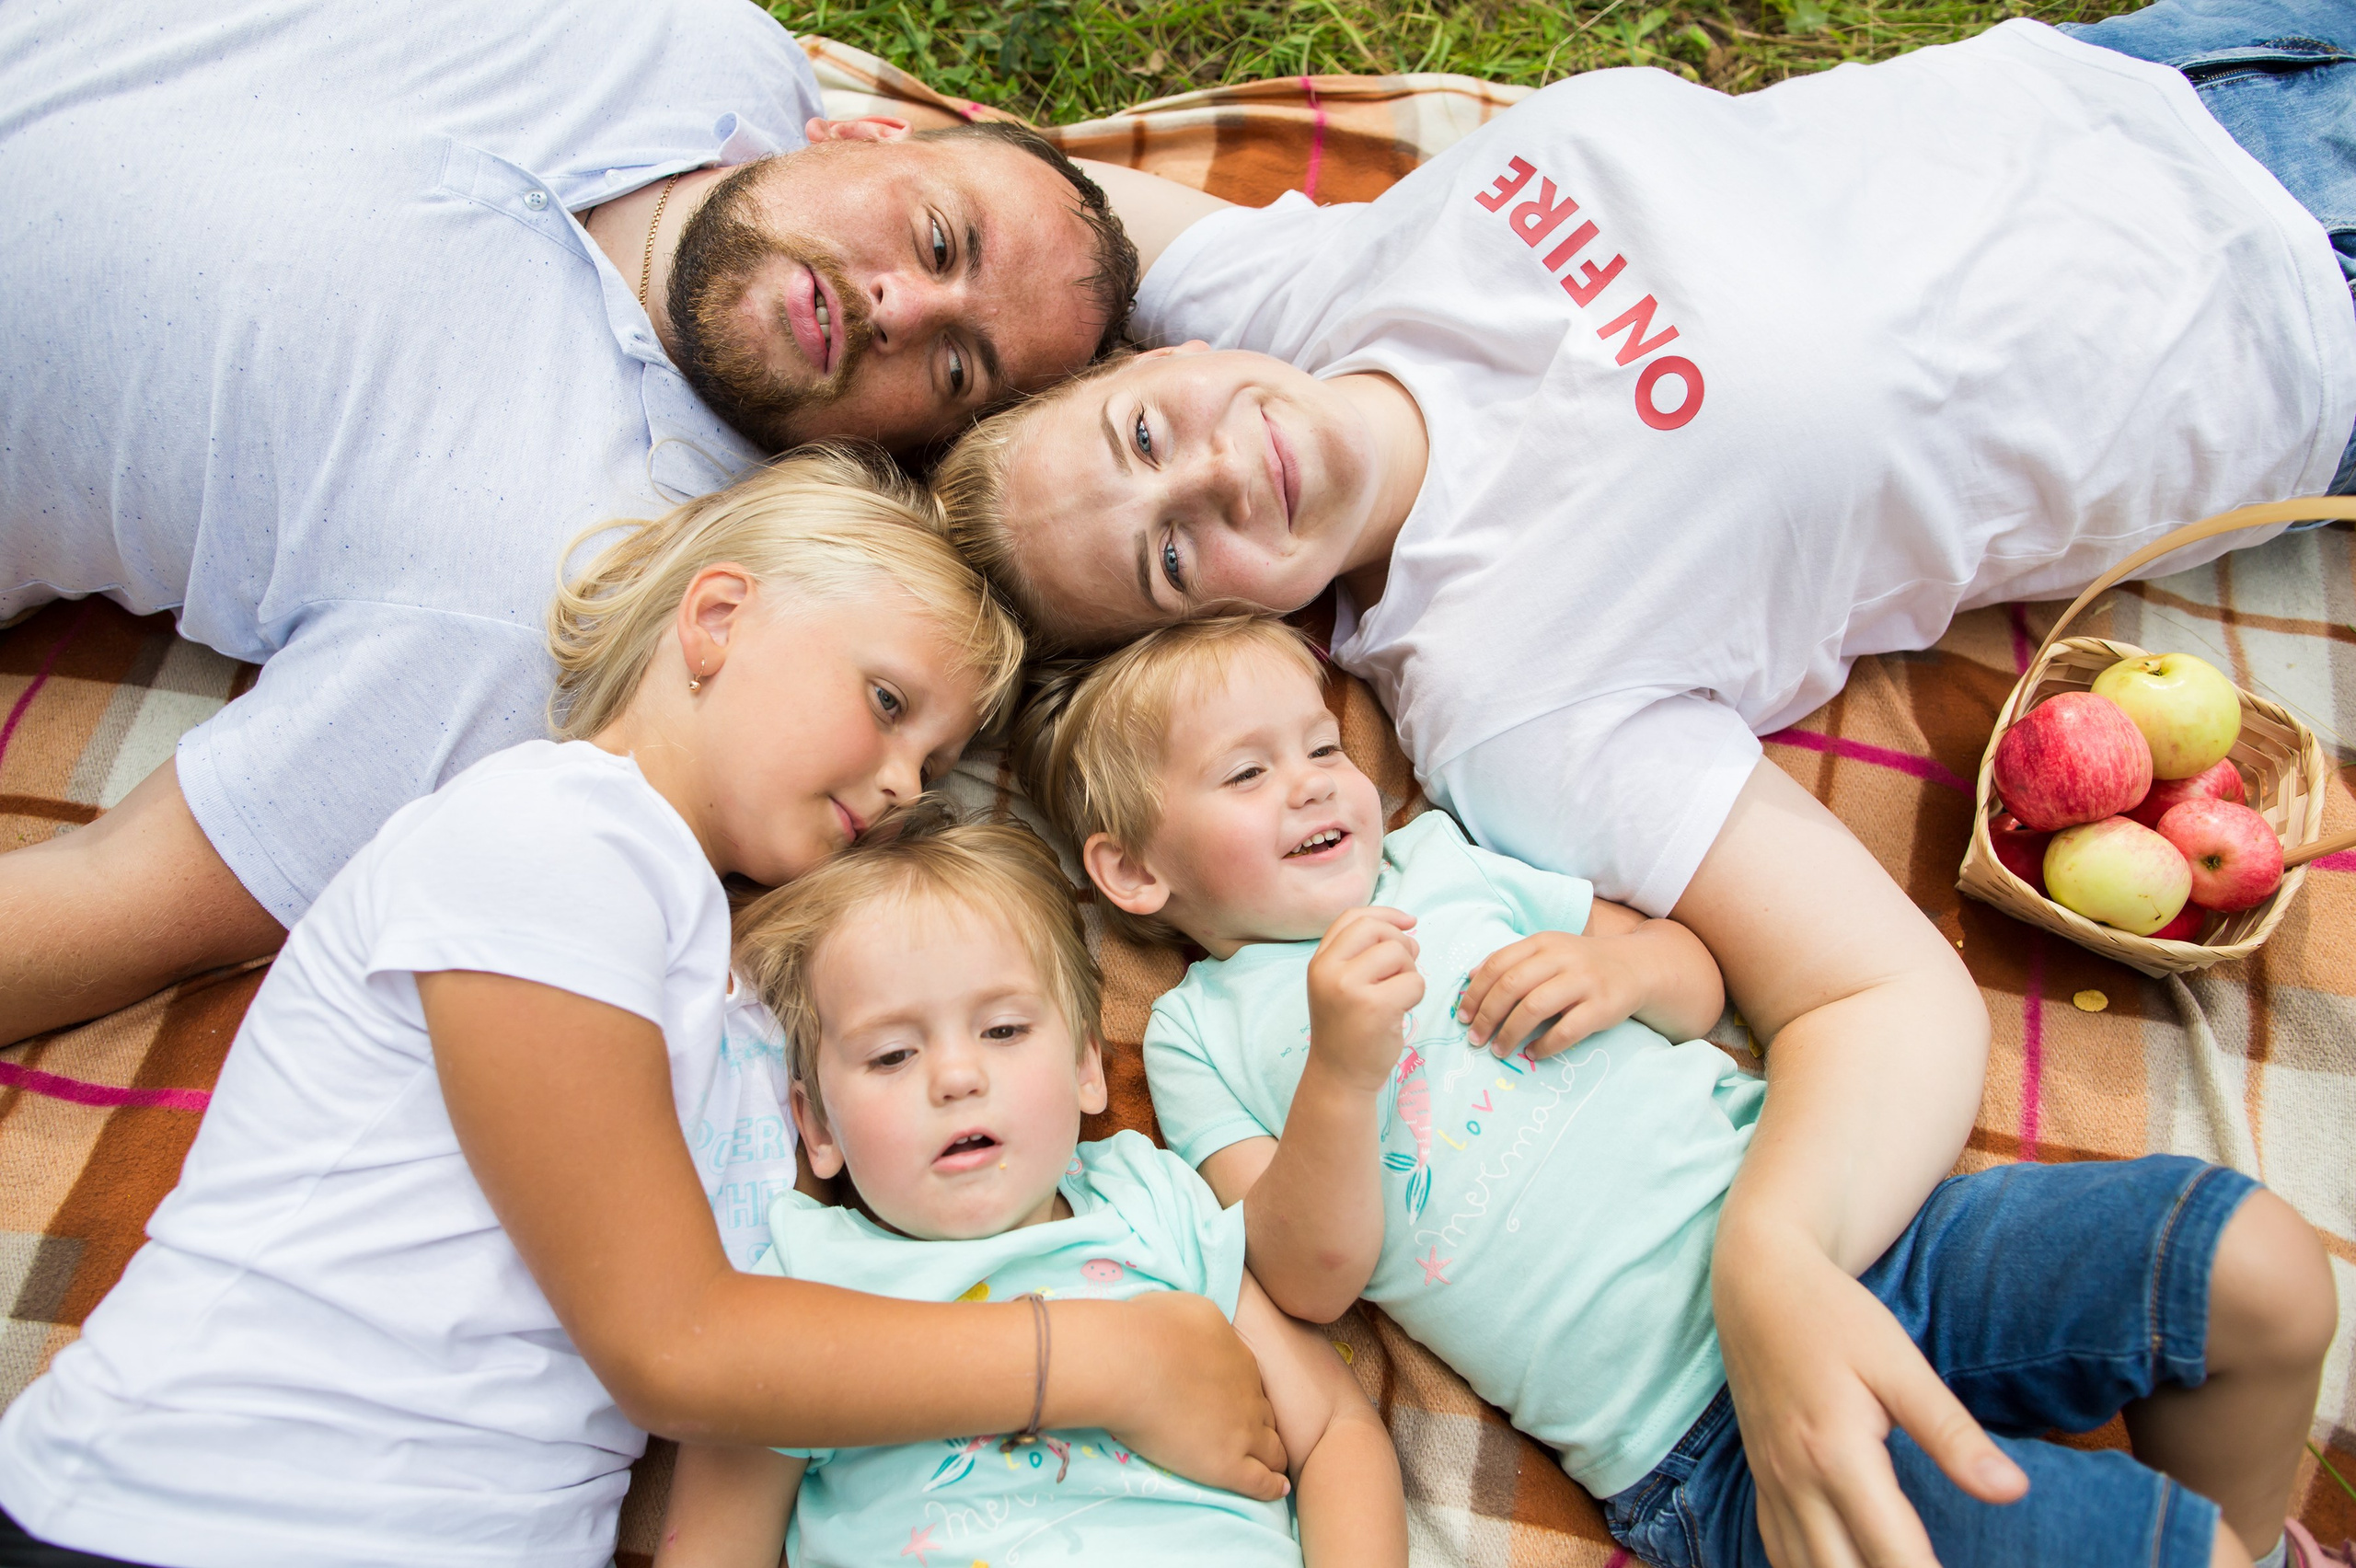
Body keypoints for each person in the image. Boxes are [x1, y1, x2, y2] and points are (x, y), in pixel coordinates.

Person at [933, 3, 2356, 1560]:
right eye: (1168, 551)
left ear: (1179, 354)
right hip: (2292, 322)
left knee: (2261, 1278)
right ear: (1221, 624)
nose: (1202, 471)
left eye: (1143, 427)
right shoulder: (1504, 708)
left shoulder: (1298, 291)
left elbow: (1006, 227)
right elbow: (1854, 988)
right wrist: (1770, 1246)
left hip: (2149, 67)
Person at [0, 452, 1288, 1568]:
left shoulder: (744, 1016)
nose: (904, 782)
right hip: (187, 1521)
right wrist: (1099, 1361)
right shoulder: (553, 834)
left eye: (939, 766)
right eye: (888, 704)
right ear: (717, 619)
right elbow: (670, 1342)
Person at [1015, 613, 2339, 1568]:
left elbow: (1705, 981)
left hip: (1861, 1244)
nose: (1313, 782)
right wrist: (1344, 1079)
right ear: (1135, 876)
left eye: (1319, 745)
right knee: (2133, 1548)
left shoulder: (1448, 864)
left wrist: (1624, 967)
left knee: (2261, 1267)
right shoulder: (1198, 1038)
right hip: (1706, 1441)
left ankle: (2255, 1535)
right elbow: (1307, 1279)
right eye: (1248, 773)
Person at [0, 0, 1137, 1045]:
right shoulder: (690, 40)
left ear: (908, 447)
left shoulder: (557, 601)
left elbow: (115, 902)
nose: (904, 307)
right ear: (861, 135)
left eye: (954, 368)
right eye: (940, 240)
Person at [657, 814, 1407, 1568]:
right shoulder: (797, 1278)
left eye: (1005, 1030)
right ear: (817, 1126)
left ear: (1088, 1069)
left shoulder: (1147, 1205)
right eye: (891, 1055)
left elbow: (1335, 1431)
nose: (956, 1078)